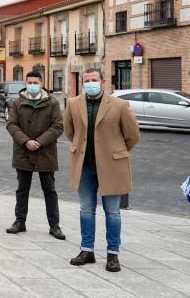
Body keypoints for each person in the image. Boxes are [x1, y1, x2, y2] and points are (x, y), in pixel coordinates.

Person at [64, 68, 140, 272]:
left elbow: (132, 135)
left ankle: (112, 254)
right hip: (85, 167)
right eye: (86, 80)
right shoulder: (73, 104)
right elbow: (69, 131)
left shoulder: (119, 105)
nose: (90, 83)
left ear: (103, 81)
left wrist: (116, 152)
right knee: (86, 210)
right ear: (82, 83)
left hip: (112, 166)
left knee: (113, 212)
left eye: (94, 79)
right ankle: (86, 250)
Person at [5, 71, 65, 239]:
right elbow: (11, 124)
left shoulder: (52, 103)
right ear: (26, 83)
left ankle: (54, 225)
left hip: (45, 151)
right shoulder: (17, 103)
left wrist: (39, 141)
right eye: (29, 82)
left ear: (41, 83)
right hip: (23, 151)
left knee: (50, 190)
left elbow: (58, 126)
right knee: (22, 189)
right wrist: (26, 141)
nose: (32, 85)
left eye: (35, 82)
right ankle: (19, 221)